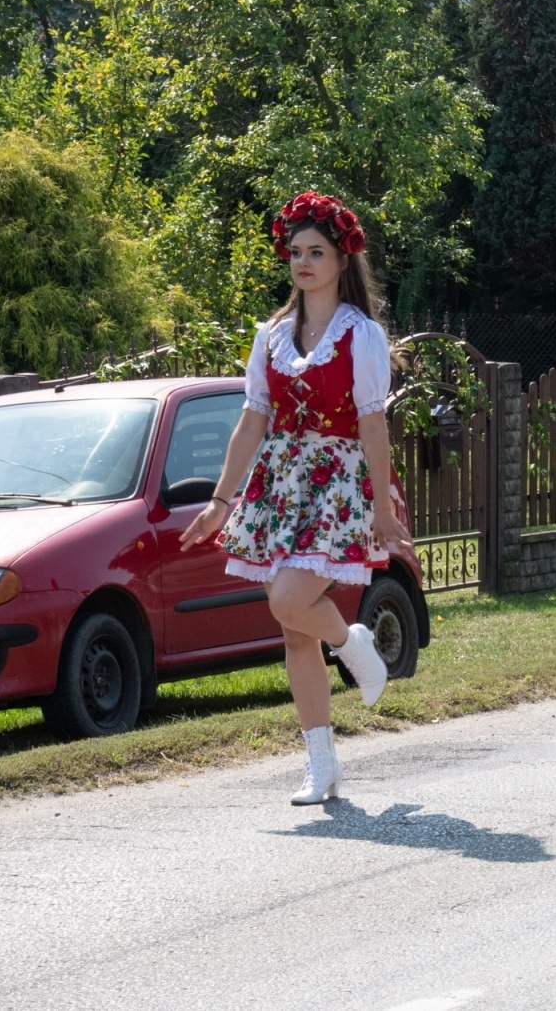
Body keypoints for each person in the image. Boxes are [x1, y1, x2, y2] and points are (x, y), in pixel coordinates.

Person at [182, 191, 414, 804]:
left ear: (342, 258)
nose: (303, 262)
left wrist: (383, 509)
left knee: (291, 600)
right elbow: (252, 422)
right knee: (291, 629)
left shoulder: (360, 335)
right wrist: (220, 500)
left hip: (338, 481)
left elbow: (372, 425)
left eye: (316, 252)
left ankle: (352, 642)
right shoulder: (271, 335)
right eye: (295, 252)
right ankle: (321, 763)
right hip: (279, 483)